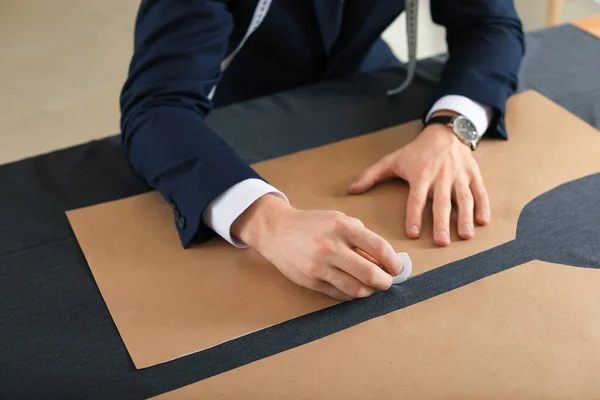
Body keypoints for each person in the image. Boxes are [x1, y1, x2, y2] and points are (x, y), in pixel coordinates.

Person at [120, 0, 524, 301]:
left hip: (358, 71)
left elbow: (490, 23)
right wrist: (264, 221)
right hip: (236, 103)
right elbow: (156, 107)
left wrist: (452, 126)